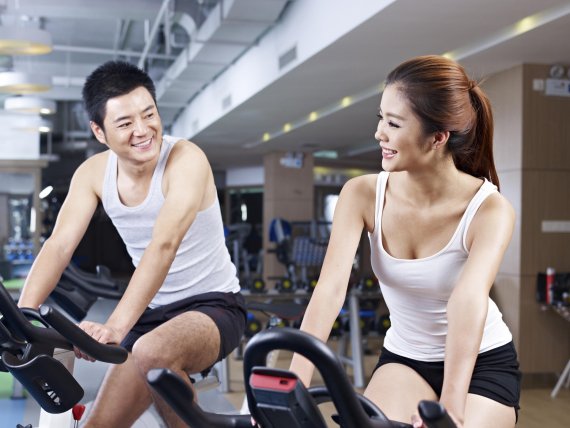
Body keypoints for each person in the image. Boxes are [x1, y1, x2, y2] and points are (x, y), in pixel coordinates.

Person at [288, 55, 521, 428]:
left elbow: (468, 301)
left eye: (393, 123)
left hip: (479, 362)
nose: (379, 132)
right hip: (405, 357)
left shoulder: (490, 210)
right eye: (380, 118)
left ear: (438, 137)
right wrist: (293, 384)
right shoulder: (360, 194)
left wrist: (451, 406)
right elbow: (329, 291)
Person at [18, 60, 247, 428]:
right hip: (153, 315)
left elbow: (164, 245)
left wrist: (115, 327)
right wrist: (22, 317)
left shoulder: (186, 160)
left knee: (151, 351)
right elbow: (59, 246)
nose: (143, 131)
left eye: (149, 114)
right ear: (100, 131)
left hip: (214, 306)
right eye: (125, 123)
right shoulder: (93, 174)